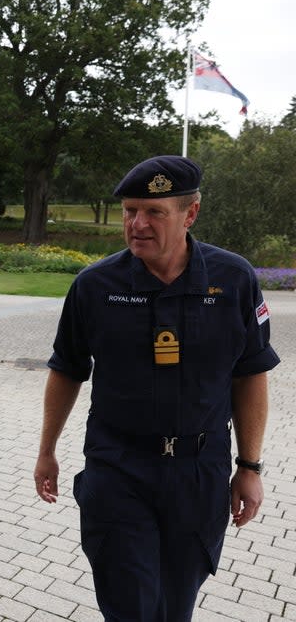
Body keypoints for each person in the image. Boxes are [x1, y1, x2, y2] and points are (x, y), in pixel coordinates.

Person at [33, 155, 280, 620]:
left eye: (154, 212)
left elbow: (251, 373)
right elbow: (66, 369)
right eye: (130, 211)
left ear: (190, 214)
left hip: (198, 472)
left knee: (174, 606)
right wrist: (47, 449)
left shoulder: (234, 280)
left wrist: (250, 466)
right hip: (118, 467)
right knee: (130, 606)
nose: (137, 224)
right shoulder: (95, 285)